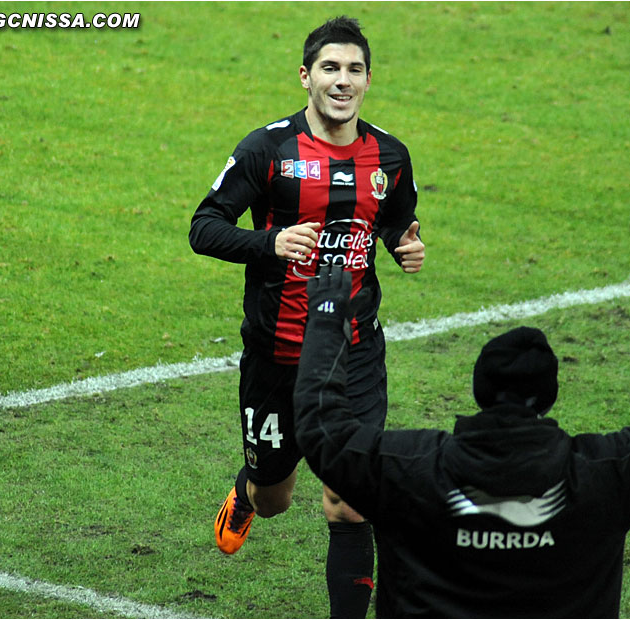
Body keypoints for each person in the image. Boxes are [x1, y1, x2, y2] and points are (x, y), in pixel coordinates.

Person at [294, 240, 630, 618]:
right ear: (549, 397)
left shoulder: (408, 469)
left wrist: (328, 321)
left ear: (479, 391)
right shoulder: (603, 474)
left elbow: (322, 428)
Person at [189, 15, 424, 618]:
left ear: (368, 79)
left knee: (350, 500)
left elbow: (394, 217)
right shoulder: (267, 148)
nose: (342, 81)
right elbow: (204, 227)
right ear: (305, 76)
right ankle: (247, 489)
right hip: (277, 354)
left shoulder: (390, 155)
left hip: (355, 349)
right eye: (330, 68)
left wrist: (403, 243)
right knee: (275, 498)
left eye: (354, 70)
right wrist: (269, 244)